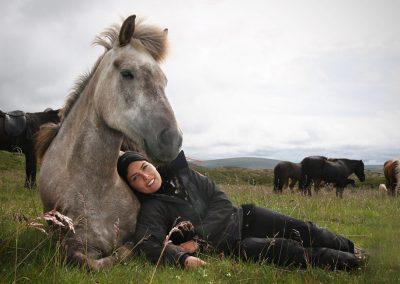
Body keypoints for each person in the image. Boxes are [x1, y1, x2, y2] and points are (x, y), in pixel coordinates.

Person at [117, 150, 365, 270]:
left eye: (145, 167)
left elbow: (222, 202)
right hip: (231, 246)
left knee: (304, 228)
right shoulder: (152, 208)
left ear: (153, 164)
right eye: (136, 178)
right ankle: (352, 263)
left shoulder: (186, 176)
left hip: (246, 216)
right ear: (132, 186)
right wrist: (182, 258)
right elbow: (148, 243)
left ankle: (352, 247)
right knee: (289, 250)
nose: (146, 177)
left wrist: (199, 238)